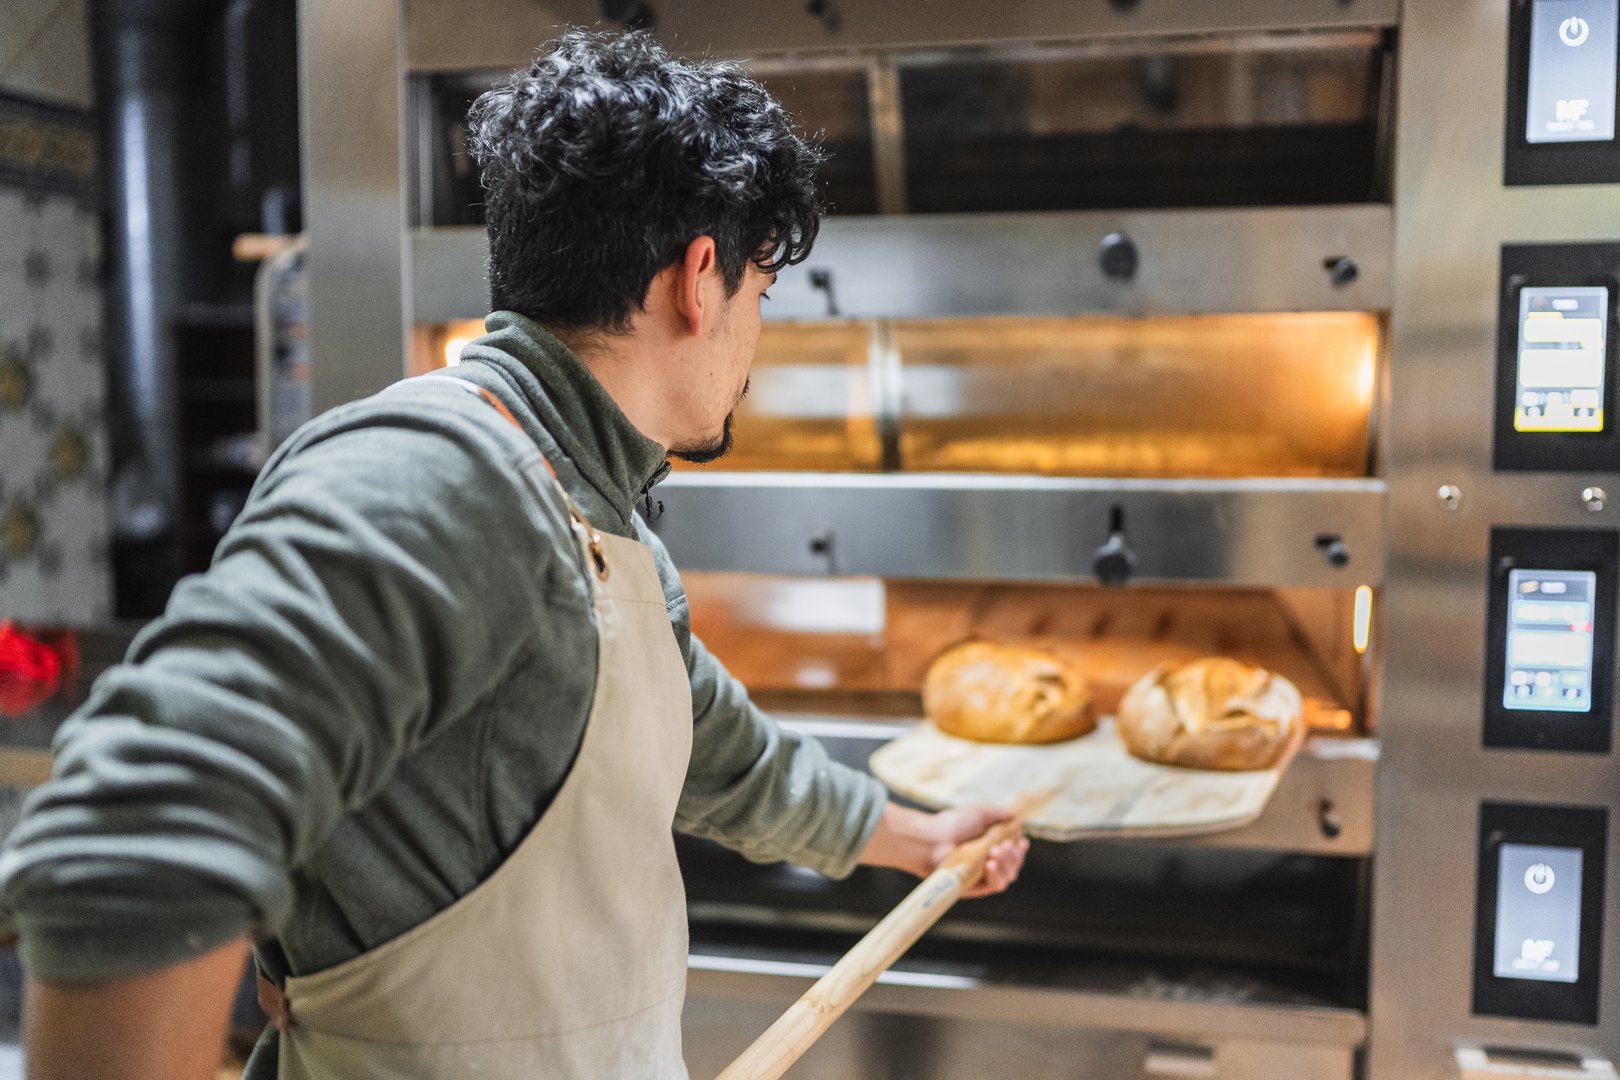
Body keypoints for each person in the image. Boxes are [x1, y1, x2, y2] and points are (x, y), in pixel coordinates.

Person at [0, 28, 1028, 1080]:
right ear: (700, 278)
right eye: (761, 296)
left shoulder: (592, 507)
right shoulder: (448, 472)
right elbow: (129, 838)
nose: (753, 342)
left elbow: (727, 761)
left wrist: (922, 838)